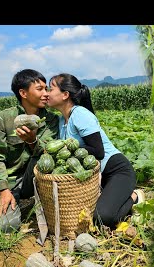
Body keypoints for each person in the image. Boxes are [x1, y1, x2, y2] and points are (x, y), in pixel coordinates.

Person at [46, 73, 144, 229]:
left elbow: (98, 152)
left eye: (50, 89)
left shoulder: (80, 114)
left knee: (102, 218)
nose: (46, 93)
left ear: (65, 95)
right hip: (96, 178)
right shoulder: (61, 120)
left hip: (117, 171)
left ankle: (135, 197)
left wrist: (66, 147)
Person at [0, 69, 59, 233]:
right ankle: (8, 200)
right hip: (9, 180)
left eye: (46, 89)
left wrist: (33, 141)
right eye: (40, 89)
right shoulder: (4, 119)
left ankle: (31, 200)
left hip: (34, 179)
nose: (46, 94)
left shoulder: (52, 120)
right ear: (23, 93)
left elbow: (49, 154)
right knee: (7, 226)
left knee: (41, 158)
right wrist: (3, 189)